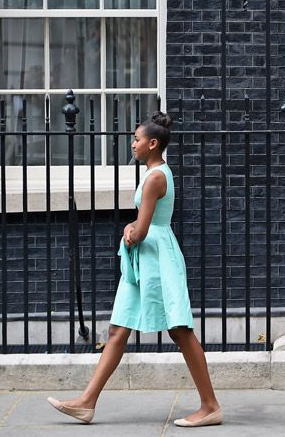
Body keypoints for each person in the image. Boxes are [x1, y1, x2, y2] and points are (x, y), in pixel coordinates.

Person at [47, 112, 223, 426]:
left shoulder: (157, 176)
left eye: (137, 139)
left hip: (157, 258)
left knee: (180, 330)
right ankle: (87, 402)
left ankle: (210, 406)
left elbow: (143, 230)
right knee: (118, 328)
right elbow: (144, 222)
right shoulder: (153, 173)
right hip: (144, 258)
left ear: (153, 144)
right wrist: (132, 228)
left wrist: (131, 232)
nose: (133, 144)